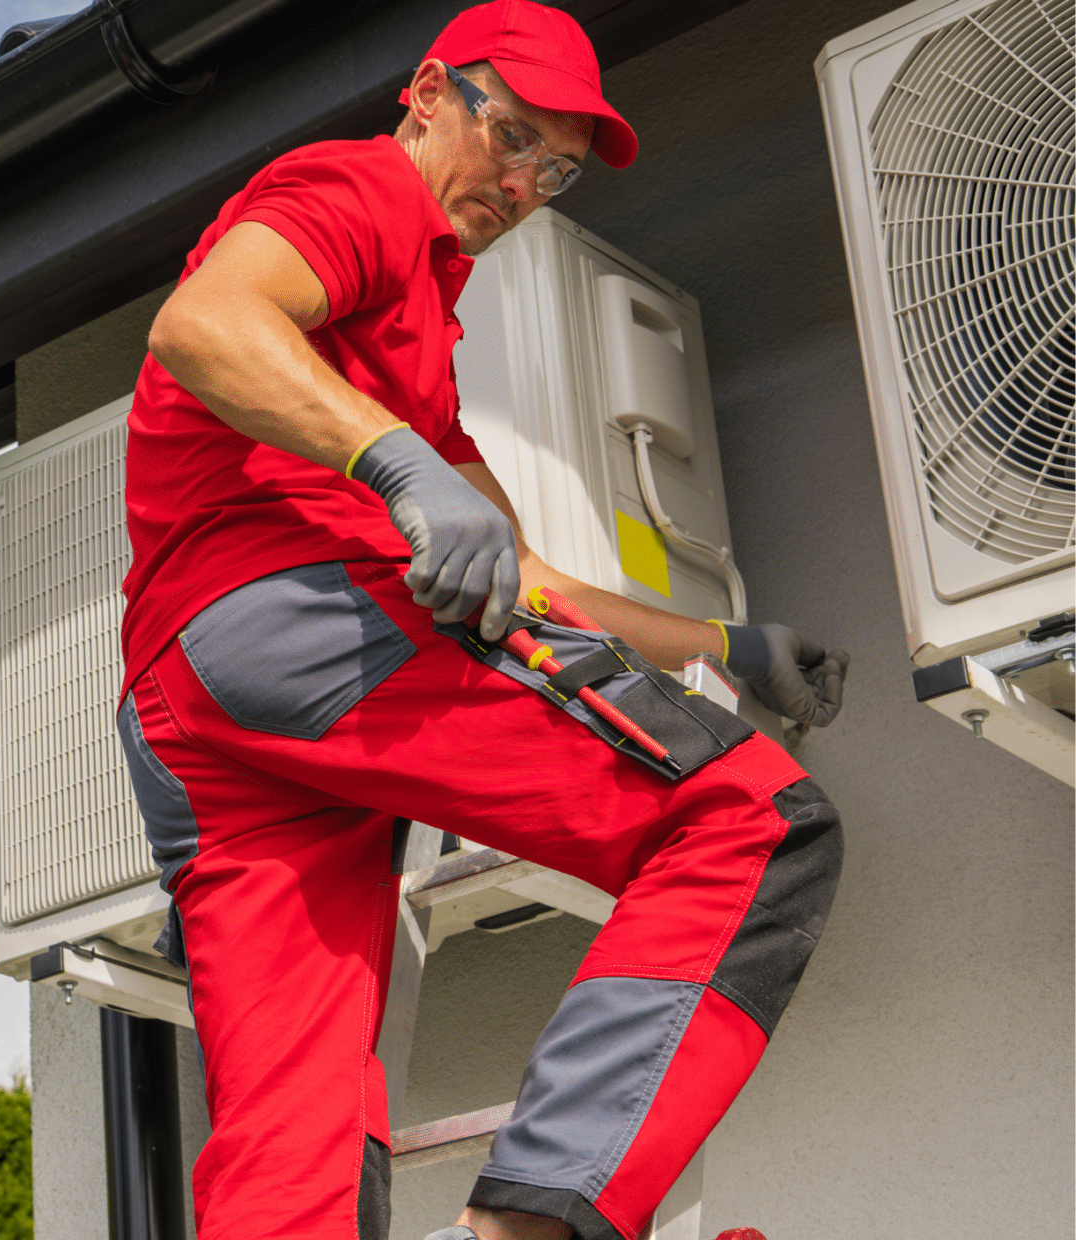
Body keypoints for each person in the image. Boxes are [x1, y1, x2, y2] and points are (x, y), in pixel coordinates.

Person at [113, 3, 849, 1240]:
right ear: (427, 91)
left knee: (291, 1129)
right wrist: (399, 465)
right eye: (508, 136)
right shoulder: (358, 194)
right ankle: (529, 1225)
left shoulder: (421, 344)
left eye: (552, 171)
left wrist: (723, 646)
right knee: (753, 820)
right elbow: (201, 325)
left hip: (192, 709)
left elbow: (530, 579)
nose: (520, 183)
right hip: (292, 620)